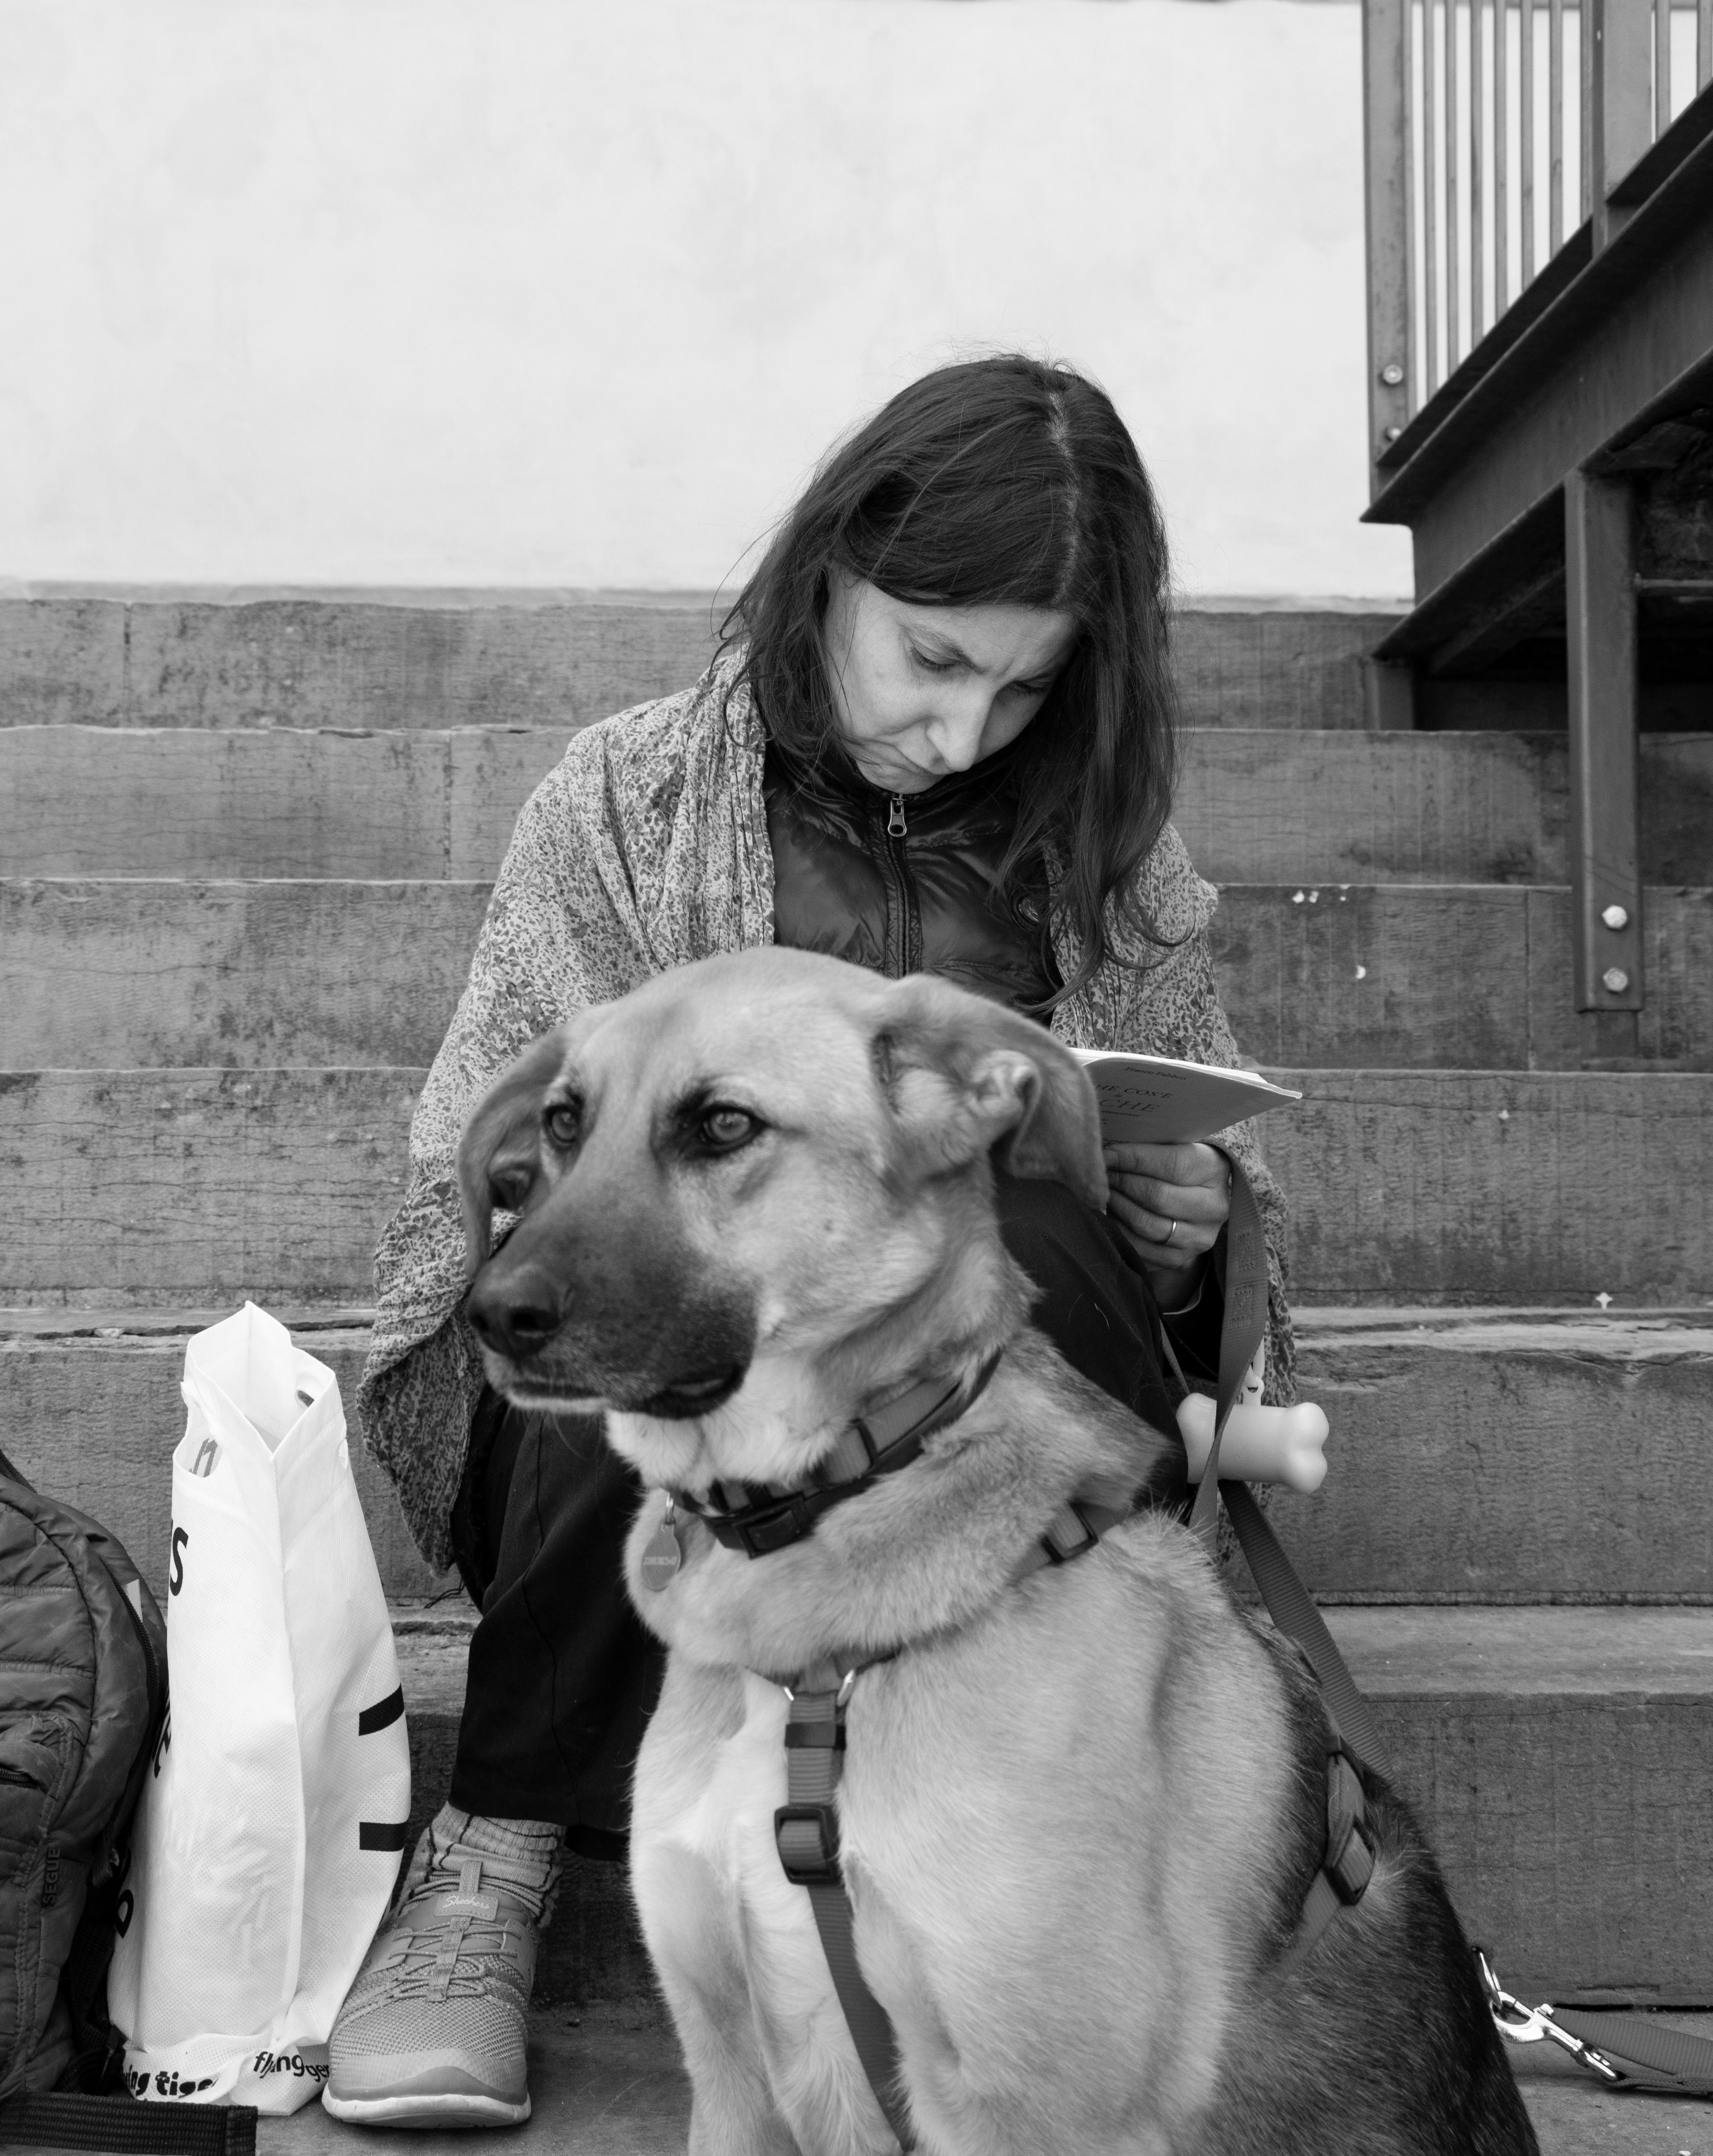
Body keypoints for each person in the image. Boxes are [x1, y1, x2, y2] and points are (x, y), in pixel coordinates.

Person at [324, 355, 1294, 2127]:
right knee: (647, 1309)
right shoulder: (622, 800)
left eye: (1024, 687)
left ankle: (1015, 1811)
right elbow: (486, 1151)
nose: (962, 731)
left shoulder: (1107, 849)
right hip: (603, 1384)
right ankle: (500, 1851)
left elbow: (1195, 1111)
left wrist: (1187, 1216)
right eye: (934, 658)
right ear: (835, 565)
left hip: (962, 1428)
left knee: (1037, 1252)